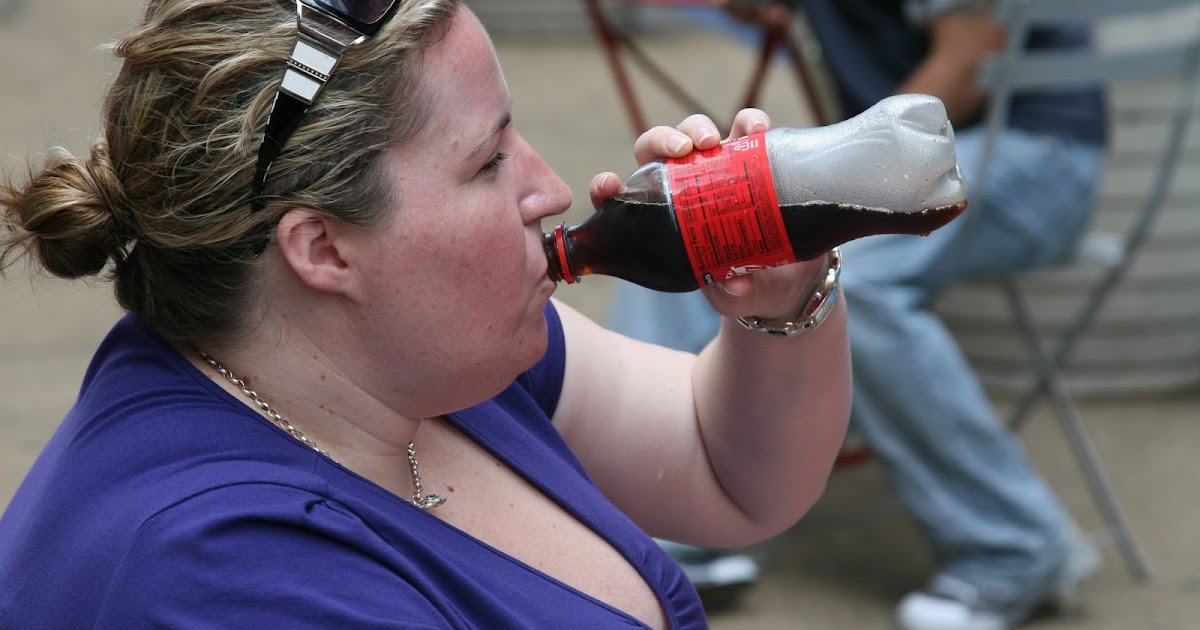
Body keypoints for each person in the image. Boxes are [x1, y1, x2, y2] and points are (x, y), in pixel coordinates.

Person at [0, 1, 854, 628]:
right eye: (489, 162)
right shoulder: (223, 577)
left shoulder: (410, 349)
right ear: (324, 249)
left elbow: (726, 469)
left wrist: (781, 296)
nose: (553, 189)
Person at [607, 1, 1109, 629]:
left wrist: (839, 171)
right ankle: (662, 527)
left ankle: (1014, 547)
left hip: (1032, 147)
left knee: (855, 279)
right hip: (920, 148)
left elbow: (969, 57)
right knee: (693, 225)